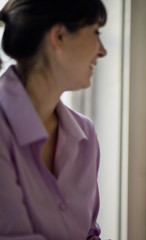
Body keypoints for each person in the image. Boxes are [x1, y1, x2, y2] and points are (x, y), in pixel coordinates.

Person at [0, 0, 107, 239]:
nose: (102, 50)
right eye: (95, 32)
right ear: (59, 36)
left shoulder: (85, 135)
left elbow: (89, 234)